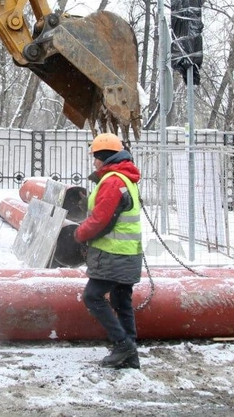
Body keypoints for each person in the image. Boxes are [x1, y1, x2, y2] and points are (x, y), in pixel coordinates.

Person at [74, 132, 142, 369]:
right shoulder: (125, 178)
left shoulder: (113, 180)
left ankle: (123, 344)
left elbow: (102, 221)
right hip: (129, 253)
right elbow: (111, 210)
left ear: (103, 157)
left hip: (113, 254)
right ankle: (131, 357)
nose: (94, 162)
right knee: (121, 300)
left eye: (95, 157)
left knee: (92, 297)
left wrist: (79, 233)